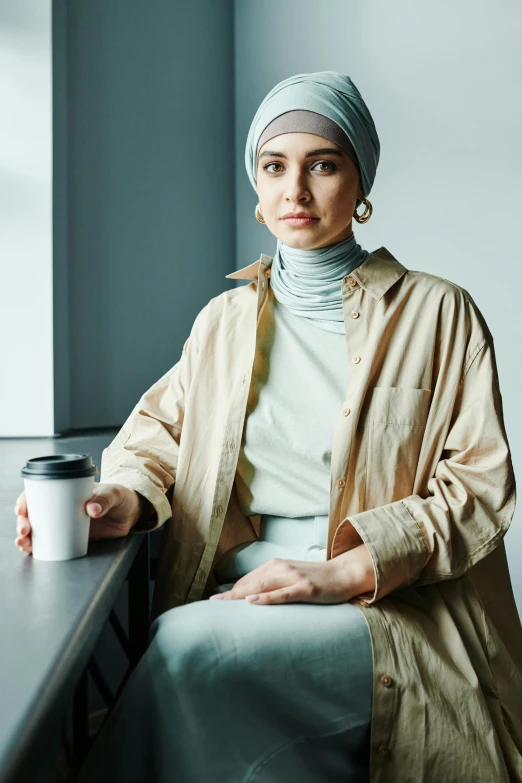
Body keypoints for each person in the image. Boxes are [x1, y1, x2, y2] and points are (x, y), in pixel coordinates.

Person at [14, 71, 522, 782]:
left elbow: (478, 484)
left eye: (323, 164)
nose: (296, 190)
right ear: (256, 187)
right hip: (250, 582)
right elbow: (158, 435)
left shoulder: (440, 313)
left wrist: (342, 570)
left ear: (360, 181)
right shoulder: (223, 322)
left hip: (386, 601)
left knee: (186, 651)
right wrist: (117, 500)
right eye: (274, 166)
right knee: (195, 667)